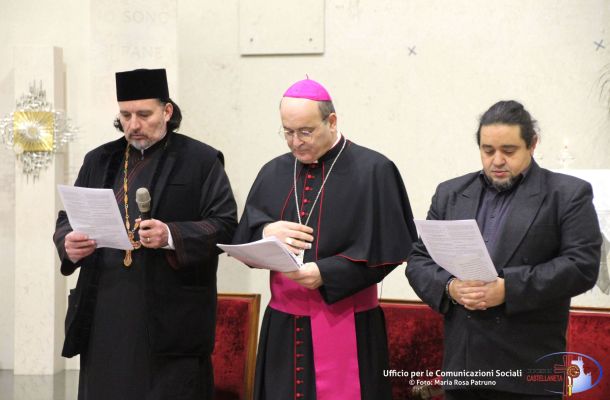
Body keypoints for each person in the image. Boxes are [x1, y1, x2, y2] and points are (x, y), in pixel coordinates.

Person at [53, 68, 237, 400]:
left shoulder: (201, 160)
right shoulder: (99, 160)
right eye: (125, 115)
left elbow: (224, 224)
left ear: (167, 111)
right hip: (106, 309)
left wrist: (171, 235)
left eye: (144, 114)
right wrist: (68, 242)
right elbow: (68, 218)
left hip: (172, 316)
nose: (134, 125)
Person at [232, 78, 417, 400]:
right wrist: (265, 231)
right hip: (283, 327)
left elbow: (390, 250)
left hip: (348, 321)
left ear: (331, 121)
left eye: (306, 131)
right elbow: (244, 235)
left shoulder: (374, 170)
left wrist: (326, 273)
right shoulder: (273, 171)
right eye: (288, 132)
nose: (296, 142)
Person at [406, 100, 602, 400]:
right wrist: (450, 287)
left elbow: (581, 266)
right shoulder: (451, 193)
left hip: (528, 369)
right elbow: (419, 261)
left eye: (508, 151)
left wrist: (509, 288)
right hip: (464, 368)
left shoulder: (566, 194)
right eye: (488, 150)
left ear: (532, 144)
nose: (497, 160)